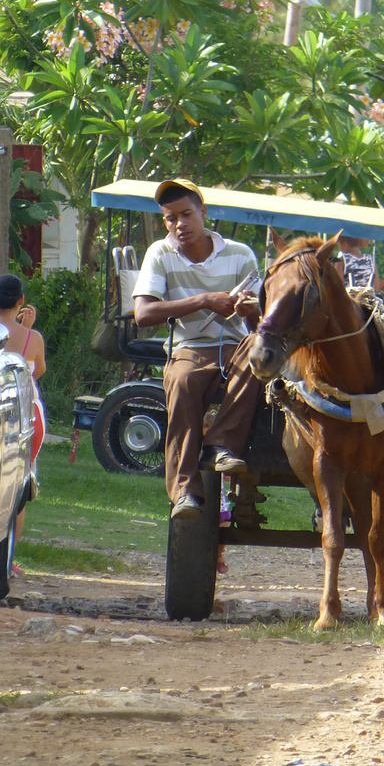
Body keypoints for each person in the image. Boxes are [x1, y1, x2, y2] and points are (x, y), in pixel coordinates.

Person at [132, 179, 265, 520]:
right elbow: (143, 314)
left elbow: (259, 325)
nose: (179, 224)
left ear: (203, 212)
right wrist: (204, 300)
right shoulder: (160, 253)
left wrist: (250, 310)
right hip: (189, 346)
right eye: (170, 218)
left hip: (236, 345)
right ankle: (185, 492)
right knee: (183, 381)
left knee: (258, 355)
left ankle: (220, 446)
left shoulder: (240, 254)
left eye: (186, 214)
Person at [0, 273, 45, 569]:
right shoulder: (33, 338)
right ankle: (8, 559)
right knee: (20, 488)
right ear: (21, 301)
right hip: (28, 412)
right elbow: (36, 372)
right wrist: (27, 330)